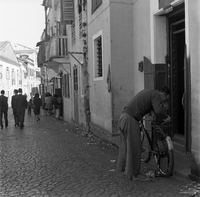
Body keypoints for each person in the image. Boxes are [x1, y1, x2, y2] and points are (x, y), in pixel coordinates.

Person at [117, 86, 171, 180]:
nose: (163, 102)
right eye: (165, 99)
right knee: (135, 147)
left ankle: (128, 172)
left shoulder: (149, 92)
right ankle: (135, 175)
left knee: (125, 147)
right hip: (130, 119)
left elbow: (146, 106)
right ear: (163, 94)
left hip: (124, 117)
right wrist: (166, 116)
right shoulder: (156, 95)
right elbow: (158, 110)